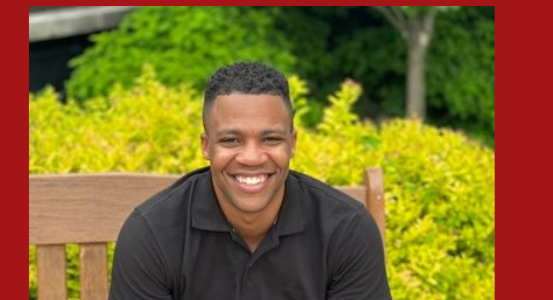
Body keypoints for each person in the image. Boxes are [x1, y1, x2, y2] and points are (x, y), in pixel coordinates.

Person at [109, 62, 391, 300]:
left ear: (292, 144)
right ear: (207, 147)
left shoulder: (346, 230)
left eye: (270, 139)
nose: (252, 157)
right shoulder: (152, 233)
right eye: (232, 140)